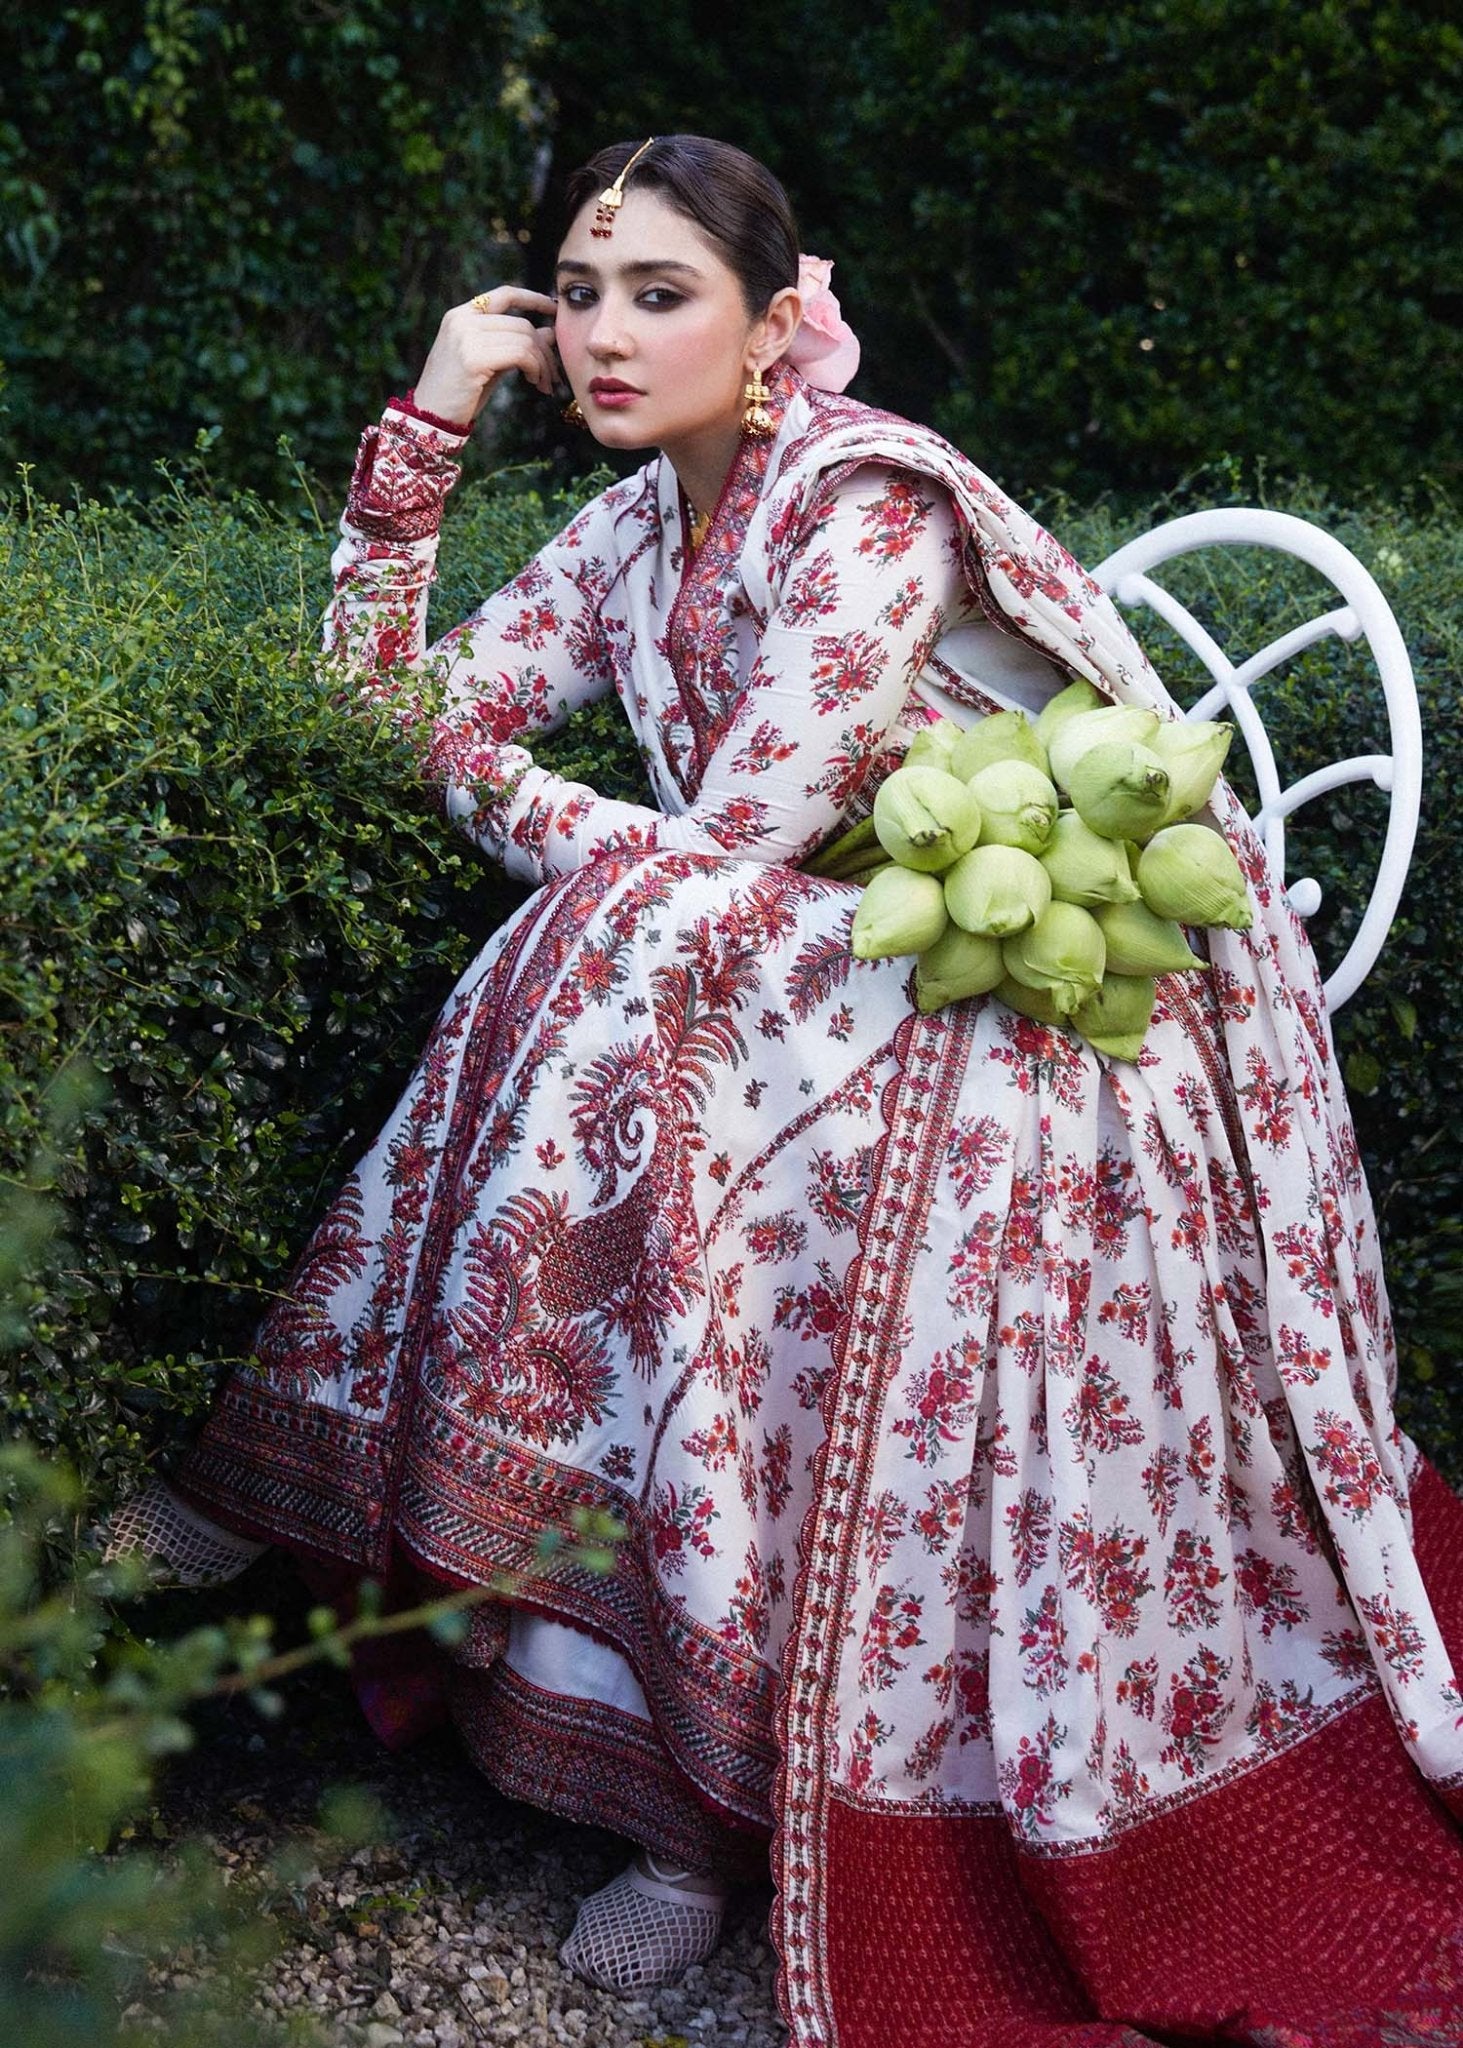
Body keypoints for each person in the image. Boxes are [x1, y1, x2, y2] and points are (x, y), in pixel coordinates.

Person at [106, 135, 1463, 2044]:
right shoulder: (634, 529)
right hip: (795, 965)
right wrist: (425, 423)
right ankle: (571, 1695)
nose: (599, 334)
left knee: (614, 959)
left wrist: (509, 805)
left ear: (770, 319)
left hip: (1049, 1016)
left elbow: (736, 839)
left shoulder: (869, 505)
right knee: (620, 961)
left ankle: (693, 1808)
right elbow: (391, 704)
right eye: (577, 295)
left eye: (659, 294)